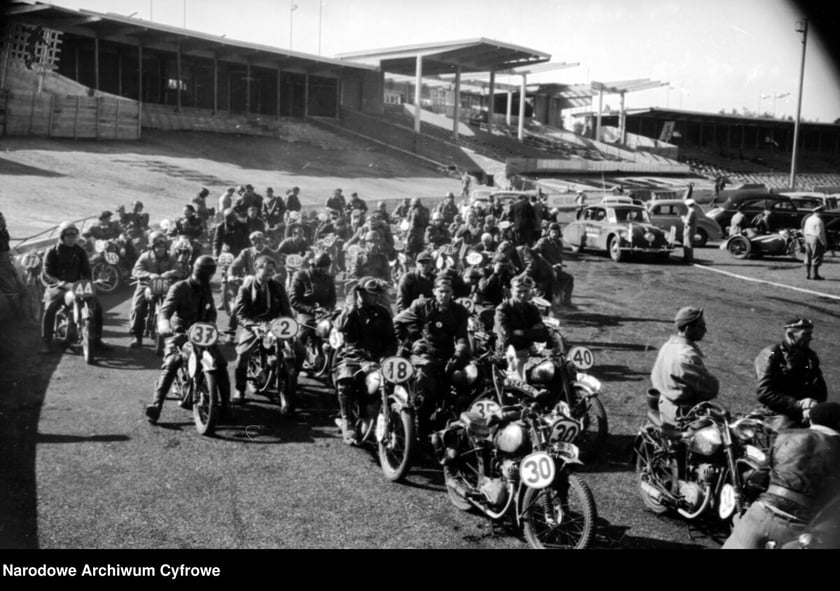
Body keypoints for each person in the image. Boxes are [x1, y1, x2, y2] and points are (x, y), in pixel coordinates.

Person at [722, 401, 840, 549]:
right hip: (800, 531)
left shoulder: (785, 436)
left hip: (760, 514)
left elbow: (757, 479)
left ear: (811, 419)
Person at [145, 255, 230, 423]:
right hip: (180, 333)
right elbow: (165, 311)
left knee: (220, 363)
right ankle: (156, 405)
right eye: (201, 276)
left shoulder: (206, 288)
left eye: (206, 276)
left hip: (202, 333)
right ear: (195, 272)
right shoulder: (179, 287)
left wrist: (212, 323)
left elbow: (212, 310)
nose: (203, 280)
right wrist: (164, 325)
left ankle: (226, 405)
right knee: (172, 361)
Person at [393, 277, 471, 436]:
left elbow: (462, 337)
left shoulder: (459, 311)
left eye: (447, 292)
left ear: (452, 293)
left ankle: (455, 426)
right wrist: (412, 342)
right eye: (441, 291)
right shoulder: (421, 306)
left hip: (448, 354)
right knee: (428, 386)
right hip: (424, 355)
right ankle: (421, 428)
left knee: (470, 379)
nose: (444, 295)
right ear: (434, 292)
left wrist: (459, 352)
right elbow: (397, 321)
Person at [333, 278, 398, 443]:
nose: (375, 297)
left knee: (398, 382)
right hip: (353, 357)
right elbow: (345, 335)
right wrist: (363, 361)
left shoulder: (383, 312)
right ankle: (347, 420)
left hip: (378, 358)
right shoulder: (351, 312)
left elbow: (391, 340)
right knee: (346, 379)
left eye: (377, 294)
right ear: (361, 293)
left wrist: (386, 356)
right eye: (371, 294)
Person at [232, 255, 301, 410]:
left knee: (299, 350)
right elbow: (241, 315)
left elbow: (286, 310)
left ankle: (290, 382)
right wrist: (254, 326)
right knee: (243, 354)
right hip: (255, 325)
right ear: (257, 268)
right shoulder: (246, 288)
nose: (270, 272)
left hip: (275, 325)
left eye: (272, 269)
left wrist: (290, 325)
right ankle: (240, 390)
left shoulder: (277, 286)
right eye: (267, 269)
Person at [39, 222, 107, 354]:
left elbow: (87, 272)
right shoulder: (52, 251)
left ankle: (97, 340)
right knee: (50, 307)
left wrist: (86, 282)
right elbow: (47, 272)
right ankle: (46, 341)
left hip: (76, 286)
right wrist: (61, 283)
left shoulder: (80, 251)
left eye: (74, 235)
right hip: (57, 287)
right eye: (69, 235)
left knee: (97, 307)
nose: (72, 238)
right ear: (62, 236)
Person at [650, 307, 719, 426]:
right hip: (682, 414)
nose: (705, 330)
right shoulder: (687, 356)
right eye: (701, 327)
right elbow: (710, 387)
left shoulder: (668, 345)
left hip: (665, 404)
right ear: (688, 329)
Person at [754, 318, 827, 429]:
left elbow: (821, 391)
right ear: (791, 335)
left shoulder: (810, 357)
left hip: (806, 410)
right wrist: (798, 405)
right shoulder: (772, 354)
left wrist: (811, 403)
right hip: (776, 412)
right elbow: (764, 391)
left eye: (810, 334)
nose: (810, 338)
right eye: (805, 334)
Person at [128, 231, 184, 348]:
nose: (160, 249)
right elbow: (136, 270)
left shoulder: (171, 257)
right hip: (146, 285)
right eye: (158, 247)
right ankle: (136, 336)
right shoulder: (145, 256)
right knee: (137, 308)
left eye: (163, 247)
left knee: (177, 306)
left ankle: (177, 332)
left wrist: (170, 273)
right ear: (153, 247)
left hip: (166, 285)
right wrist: (149, 275)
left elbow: (179, 270)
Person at [290, 251, 337, 345]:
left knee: (335, 330)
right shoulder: (300, 276)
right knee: (302, 333)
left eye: (327, 267)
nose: (326, 270)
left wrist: (326, 308)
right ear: (315, 265)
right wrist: (311, 310)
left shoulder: (328, 278)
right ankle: (299, 353)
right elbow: (293, 300)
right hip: (305, 312)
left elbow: (333, 299)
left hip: (324, 313)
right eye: (324, 267)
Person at [803, 205, 827, 280]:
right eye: (822, 212)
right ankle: (815, 275)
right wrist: (824, 242)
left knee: (808, 255)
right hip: (815, 238)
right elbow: (820, 233)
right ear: (819, 212)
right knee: (816, 256)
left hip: (807, 237)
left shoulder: (808, 219)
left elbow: (805, 229)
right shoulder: (819, 221)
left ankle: (808, 273)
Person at [682, 198, 699, 264]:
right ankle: (687, 257)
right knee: (687, 243)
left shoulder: (691, 211)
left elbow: (688, 222)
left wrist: (683, 218)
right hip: (690, 229)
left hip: (689, 230)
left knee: (688, 243)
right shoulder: (693, 211)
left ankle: (689, 258)